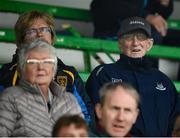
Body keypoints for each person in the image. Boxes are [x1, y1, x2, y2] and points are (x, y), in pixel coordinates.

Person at [86, 16, 180, 136]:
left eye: (141, 37)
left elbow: (176, 120)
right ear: (120, 43)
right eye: (129, 37)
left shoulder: (163, 80)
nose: (135, 43)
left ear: (149, 44)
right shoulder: (104, 73)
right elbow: (92, 119)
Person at [0, 10, 93, 123]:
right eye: (32, 31)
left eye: (45, 30)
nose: (40, 34)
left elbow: (86, 115)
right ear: (20, 41)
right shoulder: (6, 73)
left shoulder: (69, 74)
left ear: (52, 38)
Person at [0, 39, 83, 136]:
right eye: (33, 62)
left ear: (54, 69)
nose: (41, 67)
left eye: (47, 61)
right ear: (23, 69)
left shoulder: (69, 100)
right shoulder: (11, 97)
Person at [90, 0, 173, 44]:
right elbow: (108, 5)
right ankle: (146, 76)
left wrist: (164, 3)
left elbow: (161, 16)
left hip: (142, 29)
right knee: (150, 36)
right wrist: (146, 16)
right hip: (113, 33)